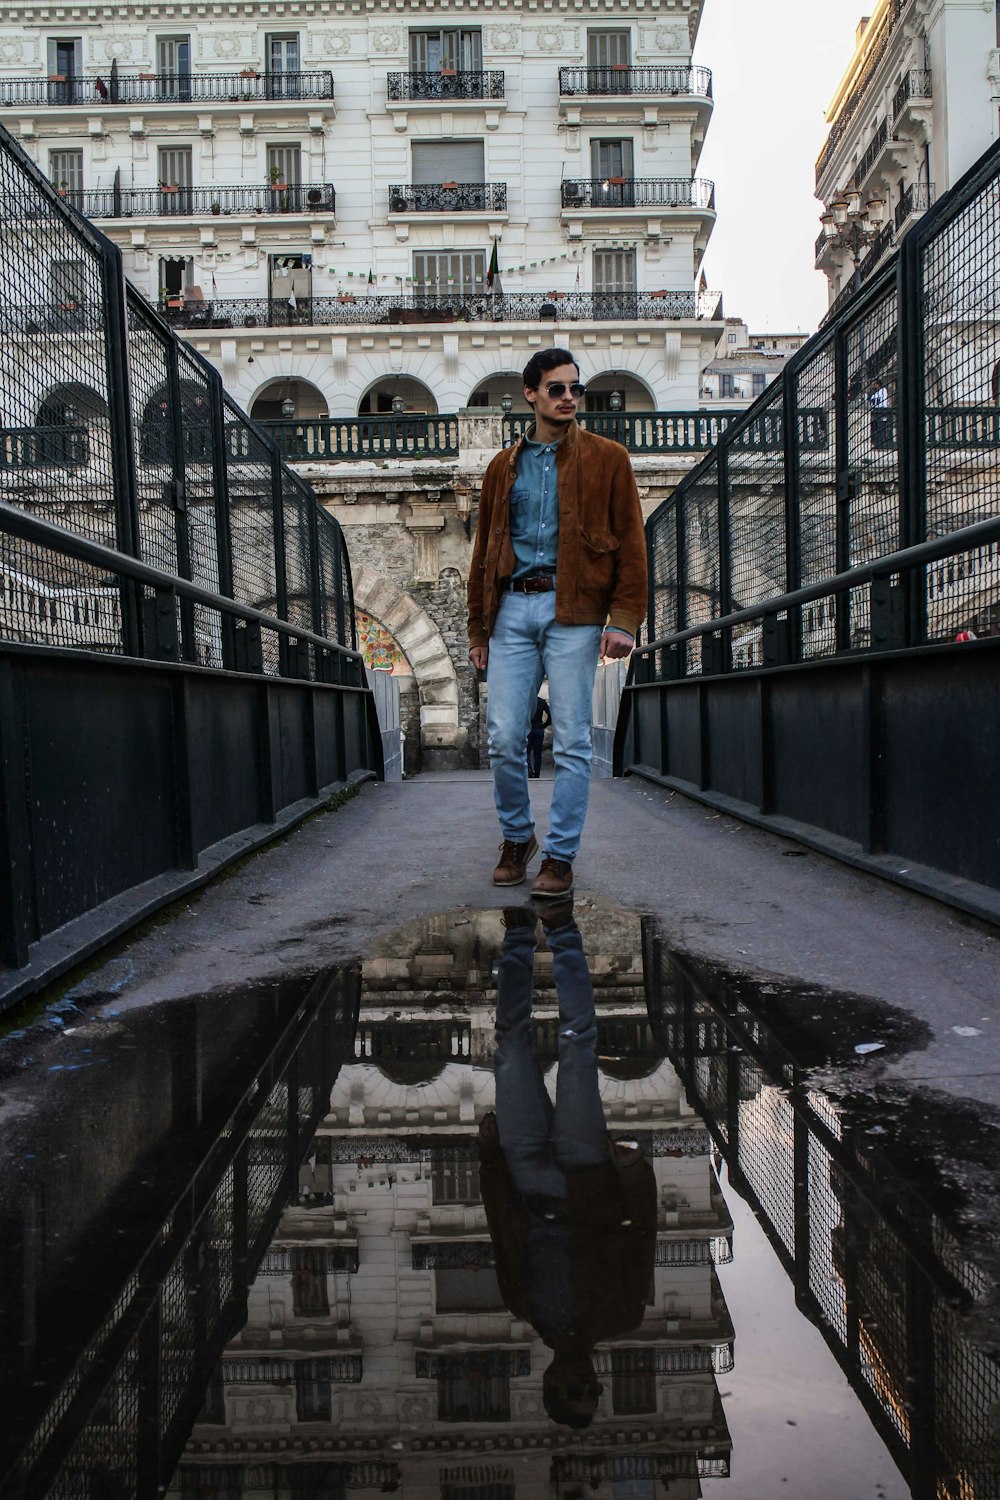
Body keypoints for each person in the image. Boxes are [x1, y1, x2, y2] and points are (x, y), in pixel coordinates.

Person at [467, 348, 647, 898]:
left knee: (570, 741)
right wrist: (479, 629)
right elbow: (484, 552)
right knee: (502, 737)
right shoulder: (503, 467)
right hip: (513, 610)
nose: (568, 397)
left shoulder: (608, 459)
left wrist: (624, 620)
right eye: (556, 388)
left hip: (576, 611)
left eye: (575, 388)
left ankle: (560, 856)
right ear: (531, 394)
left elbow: (633, 545)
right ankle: (516, 837)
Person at [478, 905, 657, 1429]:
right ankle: (562, 932)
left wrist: (489, 1154)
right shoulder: (621, 1316)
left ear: (550, 1382)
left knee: (512, 1047)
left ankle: (517, 933)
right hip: (587, 1173)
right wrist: (631, 1172)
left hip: (525, 1175)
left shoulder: (521, 1305)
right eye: (591, 1390)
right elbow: (642, 1235)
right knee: (578, 1047)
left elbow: (498, 1225)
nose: (585, 1381)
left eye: (572, 1390)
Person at [526, 693, 550, 779]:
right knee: (537, 753)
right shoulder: (541, 701)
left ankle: (528, 769)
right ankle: (537, 773)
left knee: (526, 752)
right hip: (539, 729)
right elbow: (550, 715)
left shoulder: (526, 701)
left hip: (528, 729)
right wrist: (544, 725)